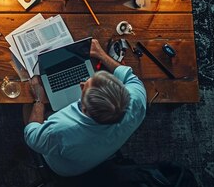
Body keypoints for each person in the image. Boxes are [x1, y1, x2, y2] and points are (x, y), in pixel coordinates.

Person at [24, 39, 147, 177]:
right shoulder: (136, 100)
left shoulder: (60, 129)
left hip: (66, 169)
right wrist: (100, 54)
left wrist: (39, 100)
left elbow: (32, 137)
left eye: (84, 89)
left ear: (85, 109)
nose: (82, 84)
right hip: (101, 149)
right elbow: (130, 77)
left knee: (26, 106)